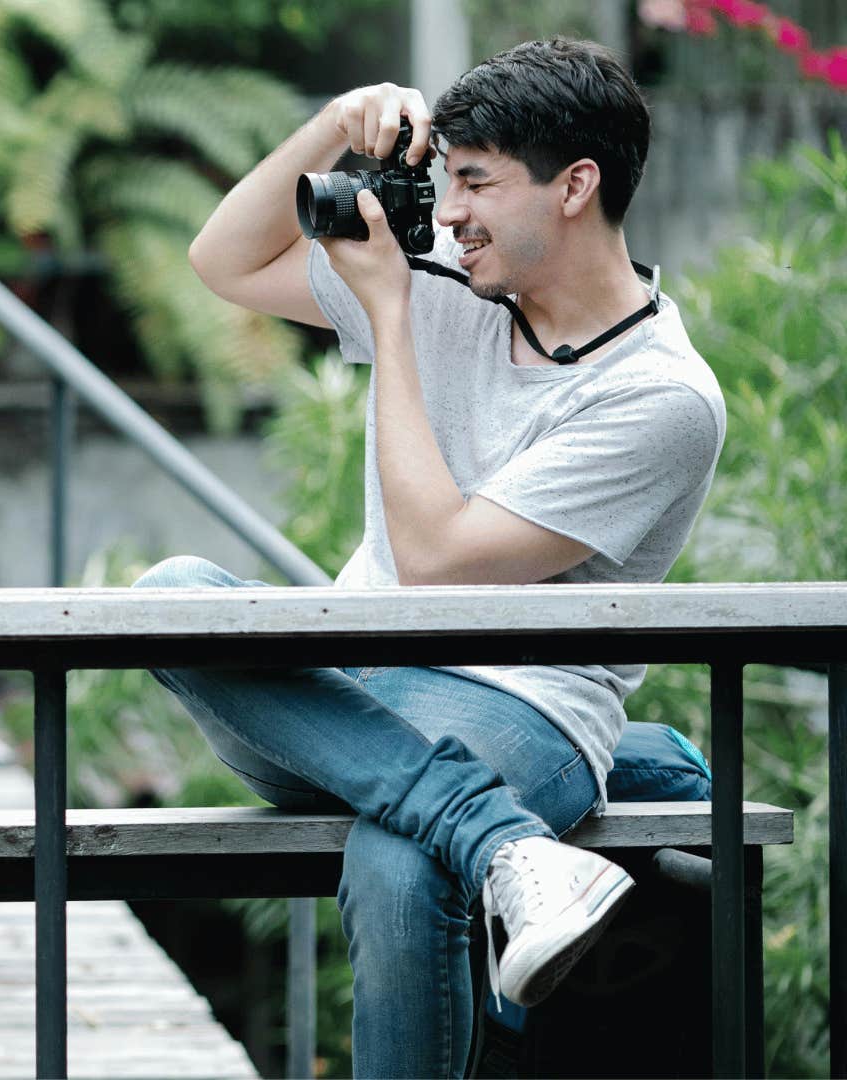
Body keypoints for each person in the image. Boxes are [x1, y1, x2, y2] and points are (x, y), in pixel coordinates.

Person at [134, 38, 725, 1076]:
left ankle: (509, 818)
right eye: (444, 178)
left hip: (518, 697)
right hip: (356, 675)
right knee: (171, 596)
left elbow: (439, 564)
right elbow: (222, 261)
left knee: (400, 861)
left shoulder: (661, 397)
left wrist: (392, 318)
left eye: (475, 181)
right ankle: (507, 844)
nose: (446, 214)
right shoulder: (453, 278)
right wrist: (333, 123)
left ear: (575, 186)